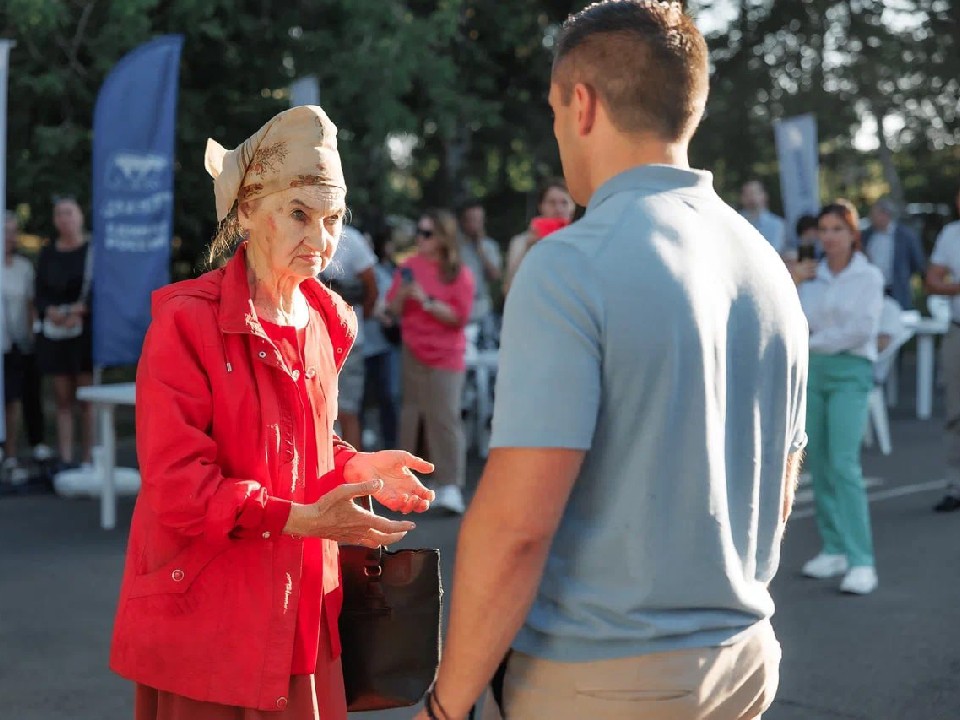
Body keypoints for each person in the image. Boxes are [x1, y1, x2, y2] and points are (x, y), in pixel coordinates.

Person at [415, 4, 808, 719]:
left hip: (601, 672)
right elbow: (778, 486)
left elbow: (516, 528)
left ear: (583, 103)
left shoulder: (569, 264)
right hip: (742, 655)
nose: (559, 132)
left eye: (556, 112)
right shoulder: (766, 264)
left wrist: (446, 704)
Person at [109, 105, 436, 720]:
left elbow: (305, 443)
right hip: (210, 624)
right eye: (298, 214)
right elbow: (178, 485)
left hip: (302, 611)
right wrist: (299, 518)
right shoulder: (186, 322)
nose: (321, 239)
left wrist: (356, 466)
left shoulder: (328, 319)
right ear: (246, 213)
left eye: (333, 218)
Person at [797, 201, 883, 595]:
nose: (829, 236)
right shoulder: (809, 277)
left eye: (837, 229)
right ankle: (834, 547)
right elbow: (790, 318)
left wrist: (810, 342)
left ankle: (861, 560)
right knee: (819, 461)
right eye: (824, 229)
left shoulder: (869, 277)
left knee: (845, 463)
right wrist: (793, 281)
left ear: (853, 234)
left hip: (850, 371)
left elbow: (860, 330)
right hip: (813, 372)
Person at [387, 209, 474, 515]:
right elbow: (391, 310)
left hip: (446, 355)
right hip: (413, 351)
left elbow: (459, 318)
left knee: (444, 417)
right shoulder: (408, 267)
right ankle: (410, 482)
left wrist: (426, 301)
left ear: (441, 238)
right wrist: (403, 298)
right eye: (419, 233)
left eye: (426, 234)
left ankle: (451, 485)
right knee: (412, 416)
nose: (420, 239)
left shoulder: (458, 273)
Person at [34, 196, 94, 468]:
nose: (64, 219)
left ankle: (90, 458)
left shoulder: (93, 250)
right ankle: (67, 458)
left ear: (79, 216)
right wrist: (51, 311)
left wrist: (81, 310)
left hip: (83, 333)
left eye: (69, 213)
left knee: (87, 399)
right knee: (62, 399)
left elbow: (102, 289)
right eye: (59, 214)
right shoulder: (47, 253)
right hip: (56, 332)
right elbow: (39, 292)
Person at [319, 224, 377, 450]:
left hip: (347, 343)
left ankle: (353, 477)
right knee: (314, 410)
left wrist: (358, 321)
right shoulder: (295, 233)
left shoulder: (351, 239)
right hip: (308, 340)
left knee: (347, 410)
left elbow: (371, 288)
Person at [925, 185, 960, 512]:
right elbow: (931, 280)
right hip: (957, 332)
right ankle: (955, 485)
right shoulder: (951, 234)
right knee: (955, 412)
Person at [2, 211, 36, 484]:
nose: (10, 236)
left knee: (12, 400)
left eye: (13, 231)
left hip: (14, 343)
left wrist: (29, 338)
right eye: (5, 230)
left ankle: (10, 453)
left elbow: (29, 305)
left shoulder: (23, 267)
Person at [362, 224, 401, 450]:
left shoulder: (386, 270)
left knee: (389, 396)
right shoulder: (355, 271)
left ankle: (390, 444)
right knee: (361, 400)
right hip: (362, 344)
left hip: (384, 345)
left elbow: (390, 302)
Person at [503, 178, 576, 295]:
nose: (558, 209)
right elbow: (508, 290)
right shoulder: (521, 242)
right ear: (540, 206)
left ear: (573, 207)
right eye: (552, 203)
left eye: (564, 203)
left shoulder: (581, 242)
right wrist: (528, 249)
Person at [862, 197, 926, 309]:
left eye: (874, 214)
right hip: (872, 290)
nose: (871, 218)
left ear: (885, 215)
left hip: (897, 290)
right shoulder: (866, 235)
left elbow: (917, 263)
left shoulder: (905, 236)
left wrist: (903, 275)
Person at [457, 202, 501, 343]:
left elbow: (495, 276)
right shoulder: (455, 248)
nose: (475, 225)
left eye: (479, 220)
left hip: (482, 307)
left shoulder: (489, 246)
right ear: (463, 222)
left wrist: (481, 251)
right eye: (471, 220)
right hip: (460, 308)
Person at [740, 180, 786, 253]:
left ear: (764, 196)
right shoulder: (734, 222)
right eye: (746, 195)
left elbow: (774, 251)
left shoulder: (777, 224)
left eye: (754, 193)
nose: (751, 198)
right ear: (742, 199)